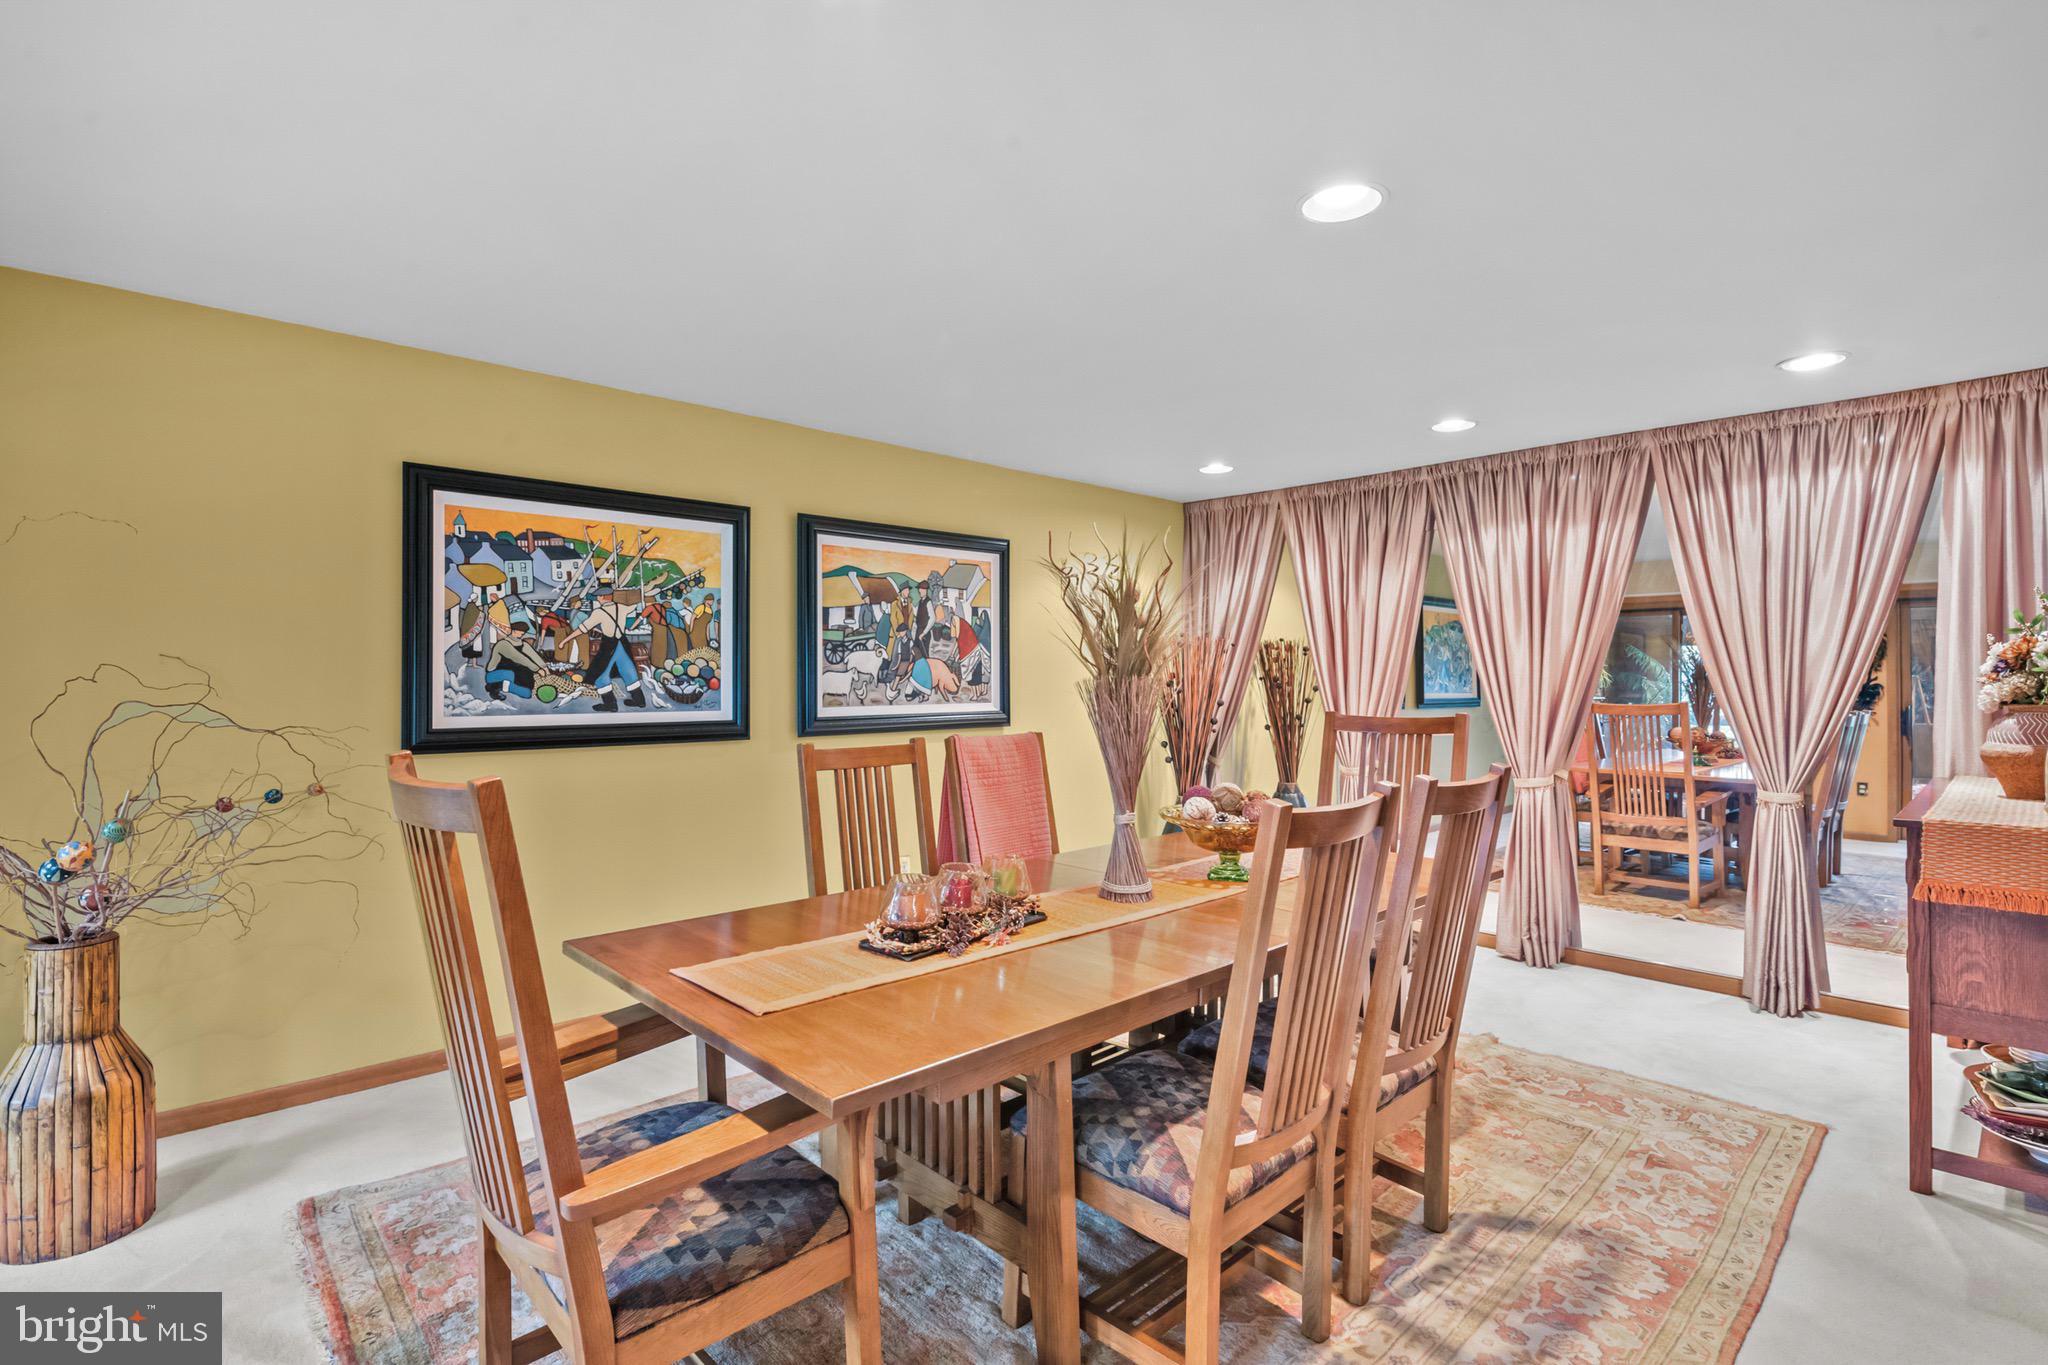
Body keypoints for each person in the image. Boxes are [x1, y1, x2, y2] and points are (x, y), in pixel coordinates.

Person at [561, 581, 648, 711]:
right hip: (622, 643)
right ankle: (640, 701)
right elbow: (635, 605)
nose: (597, 598)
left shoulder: (599, 612)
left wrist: (565, 640)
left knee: (601, 674)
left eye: (598, 596)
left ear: (603, 597)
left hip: (609, 645)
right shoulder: (621, 607)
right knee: (628, 671)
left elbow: (582, 629)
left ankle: (610, 705)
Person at [484, 620, 553, 701]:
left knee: (527, 693)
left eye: (523, 632)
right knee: (512, 674)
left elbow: (534, 656)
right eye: (520, 631)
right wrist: (537, 669)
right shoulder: (503, 644)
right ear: (514, 630)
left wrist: (545, 668)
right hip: (494, 674)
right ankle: (494, 686)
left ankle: (502, 685)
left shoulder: (522, 644)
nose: (522, 634)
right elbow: (519, 658)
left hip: (513, 671)